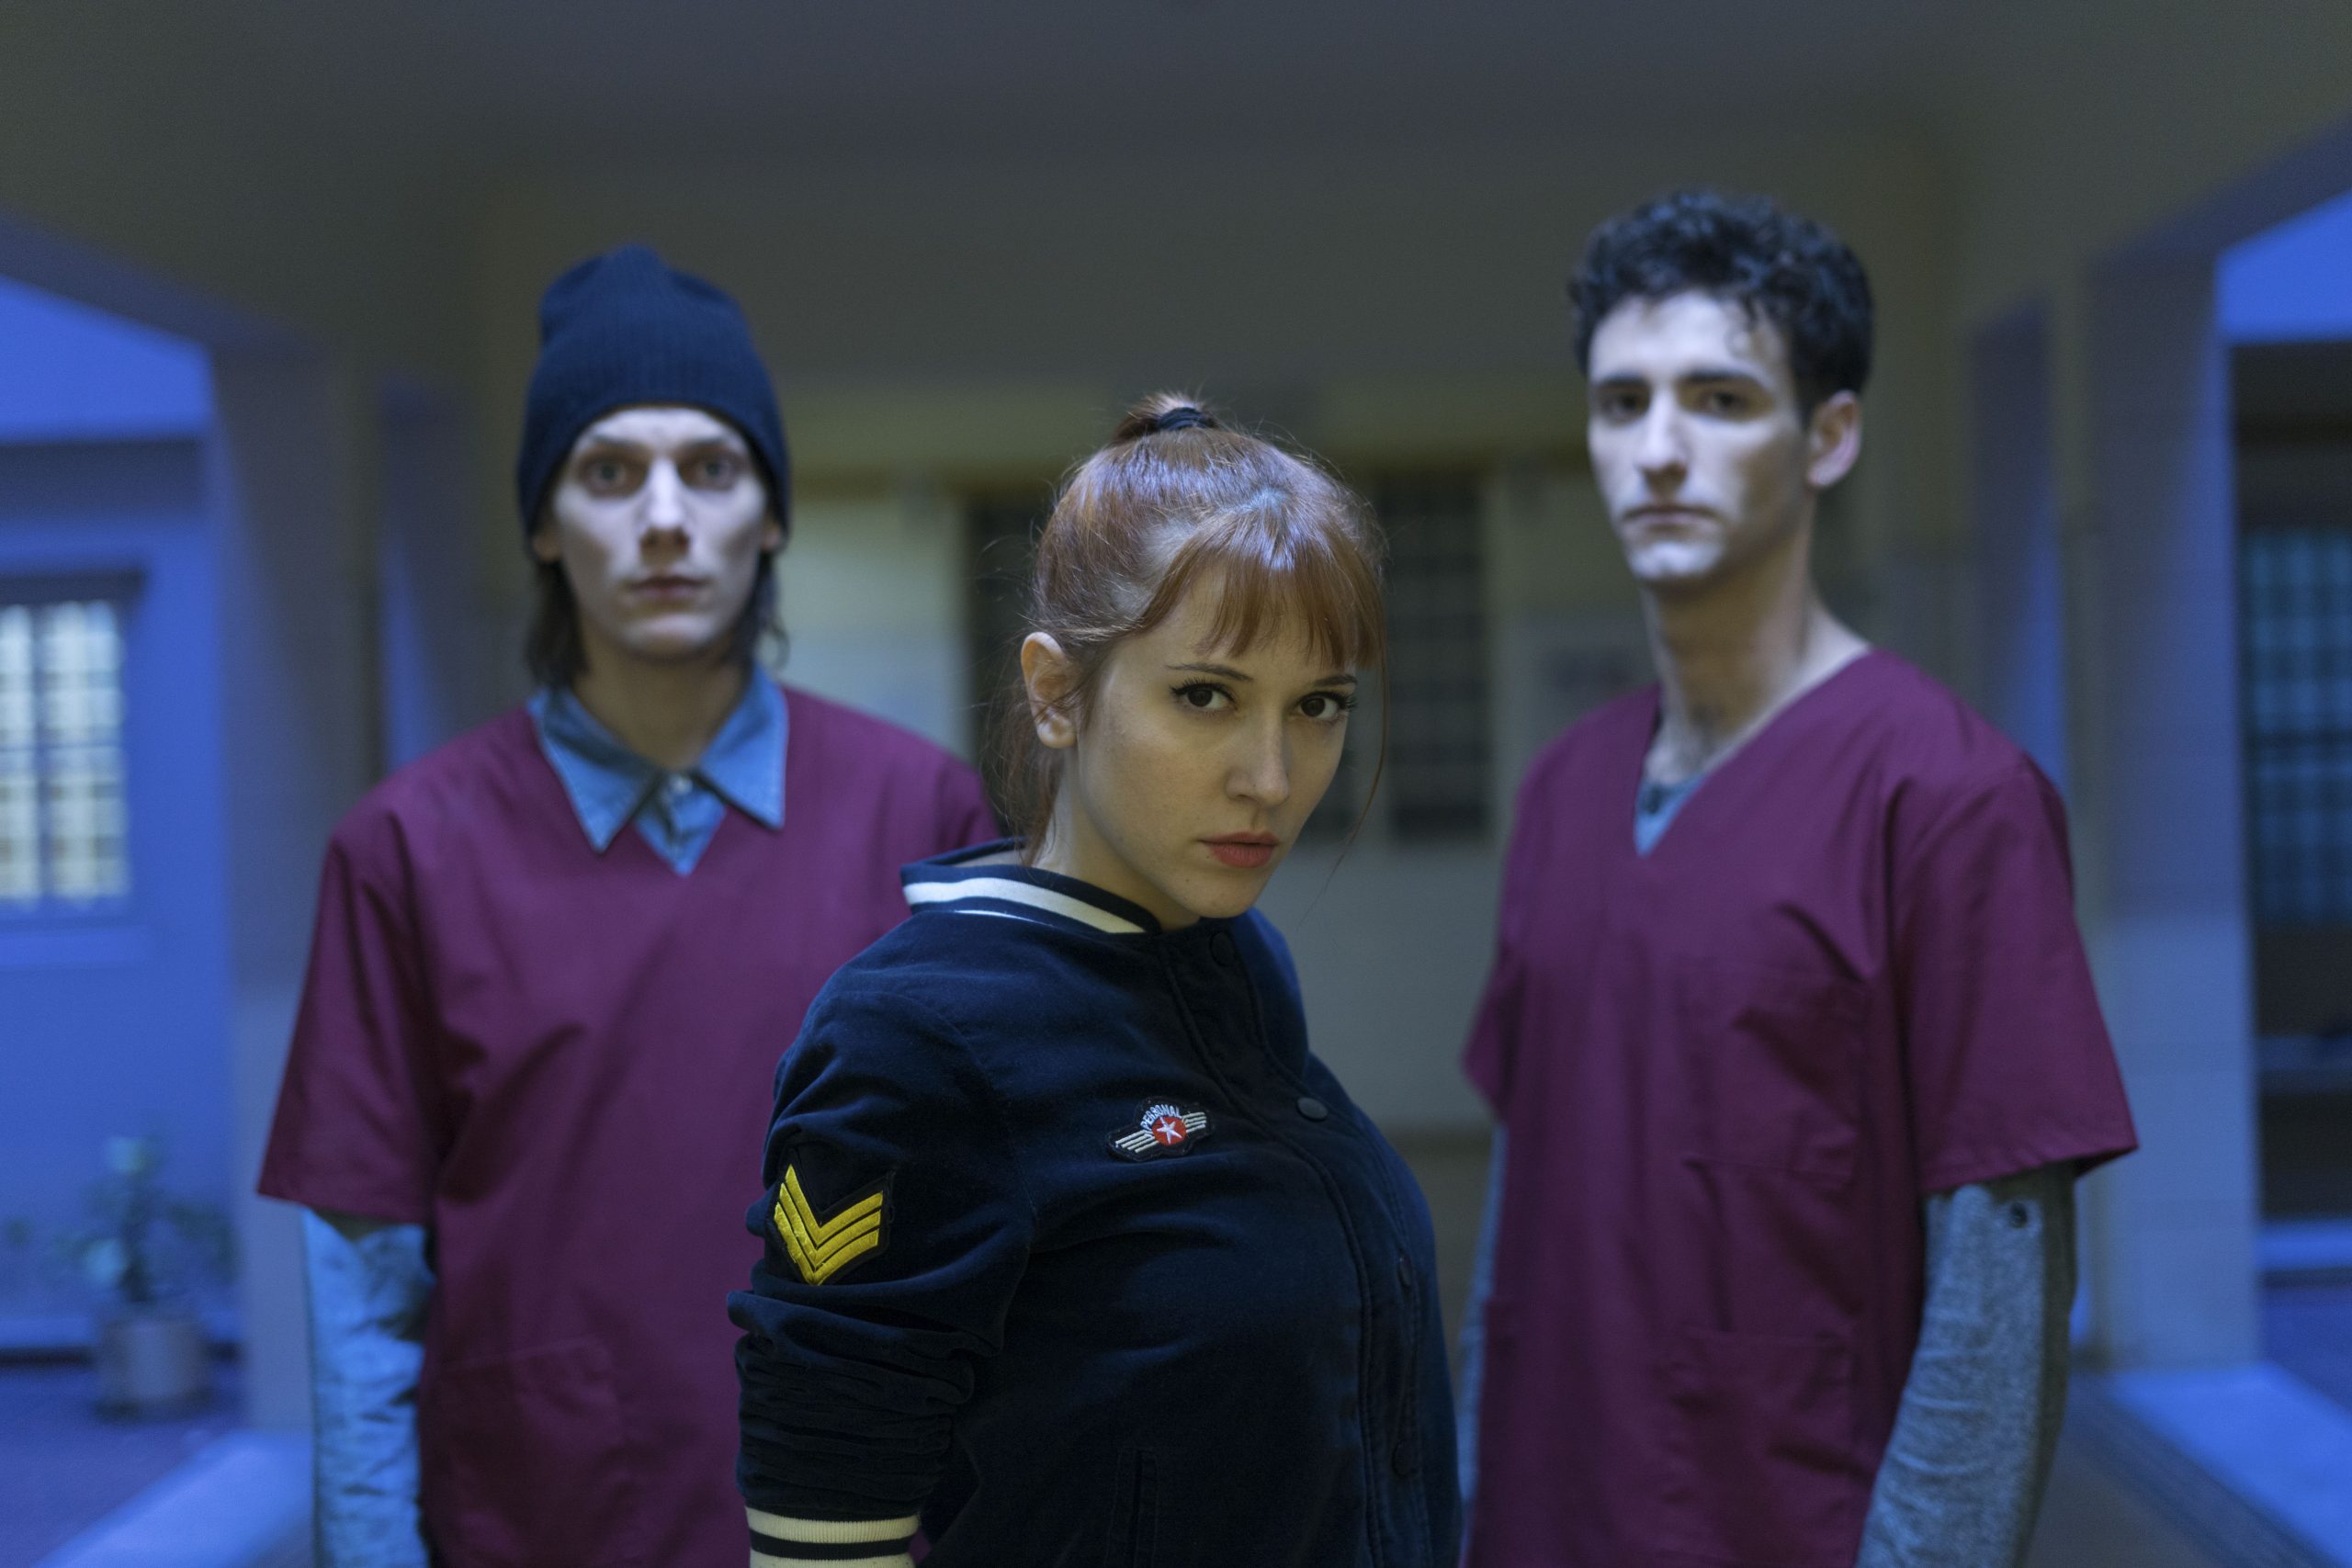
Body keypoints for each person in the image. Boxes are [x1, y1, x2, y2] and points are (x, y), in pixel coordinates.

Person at [257, 245, 997, 1567]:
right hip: (538, 1516)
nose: (664, 518)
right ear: (544, 525)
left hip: (863, 1520)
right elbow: (364, 1292)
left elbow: (999, 1215)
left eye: (710, 468)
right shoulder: (405, 852)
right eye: (609, 473)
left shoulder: (919, 813)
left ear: (770, 515)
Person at [1454, 191, 2139, 1568]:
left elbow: (2000, 1278)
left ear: (1828, 437)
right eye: (1622, 403)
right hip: (1542, 1513)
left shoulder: (1948, 798)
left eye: (1719, 400)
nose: (1658, 449)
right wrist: (1469, 1491)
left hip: (1788, 1522)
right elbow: (1522, 1195)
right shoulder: (1564, 790)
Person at [729, 395, 1462, 1568]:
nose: (1272, 778)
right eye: (1206, 695)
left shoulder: (1233, 959)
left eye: (1318, 705)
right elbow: (822, 1540)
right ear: (1057, 692)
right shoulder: (913, 1038)